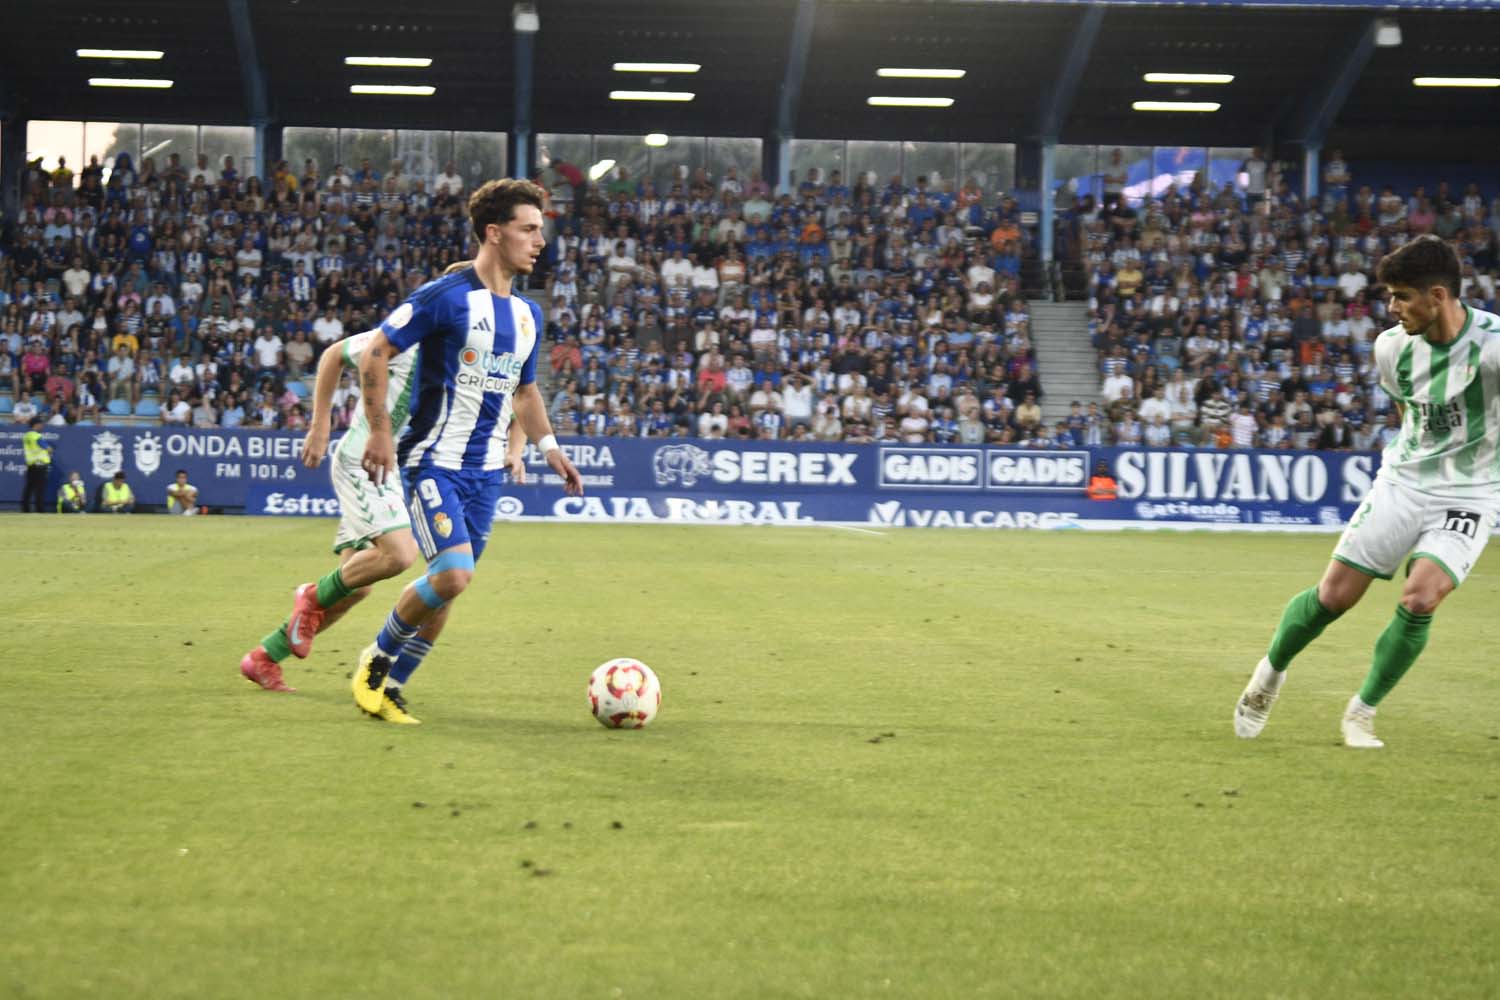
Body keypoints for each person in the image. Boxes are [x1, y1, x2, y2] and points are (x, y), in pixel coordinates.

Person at [1234, 236, 1500, 748]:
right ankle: (1268, 676)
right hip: (1404, 483)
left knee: (1422, 597)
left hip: (1472, 494)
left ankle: (1361, 712)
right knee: (1333, 597)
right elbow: (1408, 413)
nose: (1391, 307)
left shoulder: (1492, 347)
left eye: (1401, 296)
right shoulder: (1391, 347)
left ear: (1437, 296)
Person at [352, 178, 582, 723]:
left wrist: (548, 446)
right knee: (452, 573)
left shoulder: (528, 315)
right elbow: (374, 354)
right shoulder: (444, 297)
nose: (540, 240)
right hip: (433, 462)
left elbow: (525, 391)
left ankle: (393, 686)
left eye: (541, 230)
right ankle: (375, 662)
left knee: (449, 587)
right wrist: (381, 431)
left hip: (485, 473)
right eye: (529, 229)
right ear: (494, 233)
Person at [239, 302, 526, 712]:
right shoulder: (408, 338)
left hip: (415, 471)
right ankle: (311, 596)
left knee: (362, 584)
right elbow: (334, 354)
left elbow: (519, 400)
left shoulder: (478, 360)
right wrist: (320, 425)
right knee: (399, 554)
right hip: (367, 460)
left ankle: (264, 657)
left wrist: (514, 450)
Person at [21, 417, 52, 512]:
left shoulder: (26, 436)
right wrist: (50, 450)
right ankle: (40, 509)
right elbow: (47, 447)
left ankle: (25, 509)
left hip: (31, 465)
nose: (42, 426)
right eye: (41, 424)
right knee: (40, 489)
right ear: (36, 425)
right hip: (40, 465)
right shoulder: (36, 436)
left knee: (29, 487)